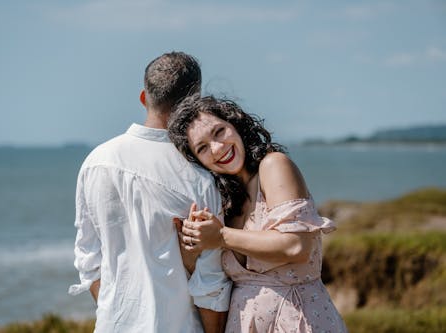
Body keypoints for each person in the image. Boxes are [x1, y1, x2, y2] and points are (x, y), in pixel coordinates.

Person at [68, 53, 232, 333]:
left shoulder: (95, 162)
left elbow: (88, 261)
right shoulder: (200, 177)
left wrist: (121, 314)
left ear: (144, 97)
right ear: (195, 103)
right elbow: (210, 284)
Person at [168, 95, 348, 333]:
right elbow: (206, 278)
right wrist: (192, 246)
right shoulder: (226, 203)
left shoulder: (273, 166)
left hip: (299, 322)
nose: (217, 148)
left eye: (219, 131)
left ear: (236, 124)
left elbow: (295, 246)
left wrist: (221, 236)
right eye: (202, 148)